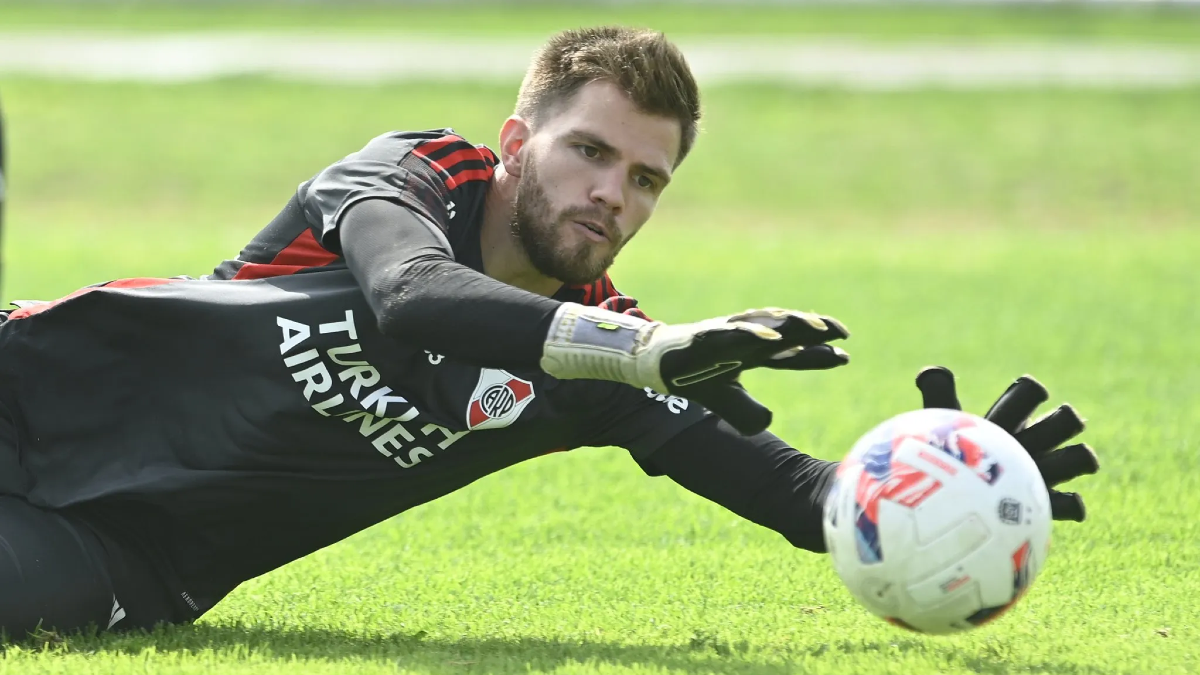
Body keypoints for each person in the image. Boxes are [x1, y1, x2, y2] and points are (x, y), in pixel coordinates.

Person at [0, 27, 1098, 638]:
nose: (613, 194)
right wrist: (645, 351)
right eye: (589, 153)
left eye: (646, 179)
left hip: (133, 556)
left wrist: (936, 480)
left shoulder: (600, 359)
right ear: (518, 140)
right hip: (28, 385)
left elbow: (800, 497)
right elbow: (411, 294)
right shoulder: (415, 174)